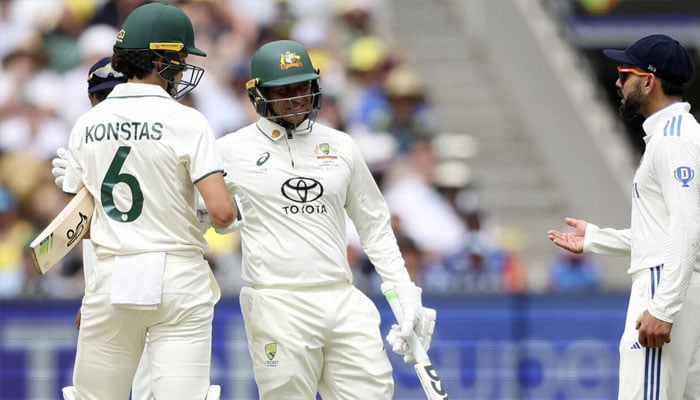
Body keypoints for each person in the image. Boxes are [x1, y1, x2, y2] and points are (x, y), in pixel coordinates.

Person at [216, 39, 436, 399]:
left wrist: (406, 295)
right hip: (277, 301)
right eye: (283, 90)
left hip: (341, 296)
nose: (297, 98)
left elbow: (375, 227)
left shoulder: (341, 145)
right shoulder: (229, 150)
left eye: (303, 87)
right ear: (257, 94)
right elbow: (196, 217)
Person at [58, 3, 236, 399]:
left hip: (111, 274)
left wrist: (91, 295)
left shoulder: (86, 122)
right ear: (160, 59)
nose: (184, 68)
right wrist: (216, 209)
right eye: (180, 58)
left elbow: (80, 225)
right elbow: (222, 214)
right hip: (178, 276)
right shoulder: (187, 120)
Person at [547, 34, 699, 400]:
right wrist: (597, 238)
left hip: (665, 286)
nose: (617, 83)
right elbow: (671, 228)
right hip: (683, 286)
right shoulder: (682, 135)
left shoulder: (673, 141)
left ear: (648, 81)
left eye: (624, 74)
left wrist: (662, 307)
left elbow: (687, 225)